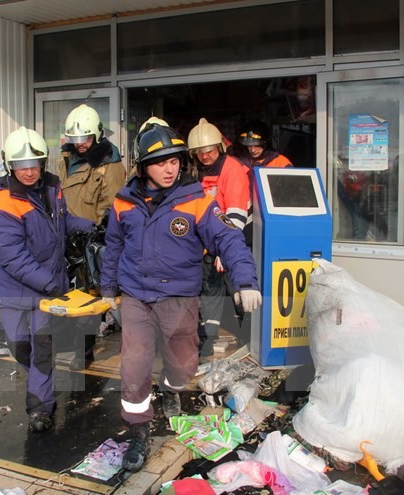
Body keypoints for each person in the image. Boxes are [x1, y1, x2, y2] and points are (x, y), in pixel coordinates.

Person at [100, 122, 261, 472]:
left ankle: (170, 388)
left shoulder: (196, 201)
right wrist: (108, 289)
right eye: (160, 162)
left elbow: (228, 239)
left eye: (173, 160)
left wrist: (246, 280)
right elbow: (113, 246)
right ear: (144, 167)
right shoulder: (123, 202)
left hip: (179, 297)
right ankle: (139, 429)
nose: (169, 168)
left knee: (183, 365)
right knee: (134, 363)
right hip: (137, 296)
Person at [0, 126, 93, 432]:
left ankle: (40, 408)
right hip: (17, 291)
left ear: (43, 163)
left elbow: (63, 221)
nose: (29, 172)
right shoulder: (2, 203)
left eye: (34, 165)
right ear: (9, 165)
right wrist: (52, 283)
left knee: (42, 348)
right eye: (21, 166)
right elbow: (13, 257)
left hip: (46, 293)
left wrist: (92, 226)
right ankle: (40, 379)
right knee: (19, 345)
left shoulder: (53, 188)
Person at [59, 104, 126, 370]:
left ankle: (83, 352)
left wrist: (97, 242)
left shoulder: (110, 164)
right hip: (66, 239)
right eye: (75, 139)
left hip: (90, 242)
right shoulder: (66, 158)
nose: (81, 144)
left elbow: (110, 210)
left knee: (89, 298)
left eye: (85, 139)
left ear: (97, 135)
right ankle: (73, 345)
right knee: (66, 297)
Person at [187, 118, 253, 356]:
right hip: (210, 243)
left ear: (219, 147)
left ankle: (251, 339)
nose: (205, 156)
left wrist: (226, 251)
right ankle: (207, 340)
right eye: (200, 152)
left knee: (238, 289)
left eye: (209, 151)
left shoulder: (232, 169)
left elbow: (236, 213)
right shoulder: (198, 171)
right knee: (210, 290)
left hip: (235, 239)